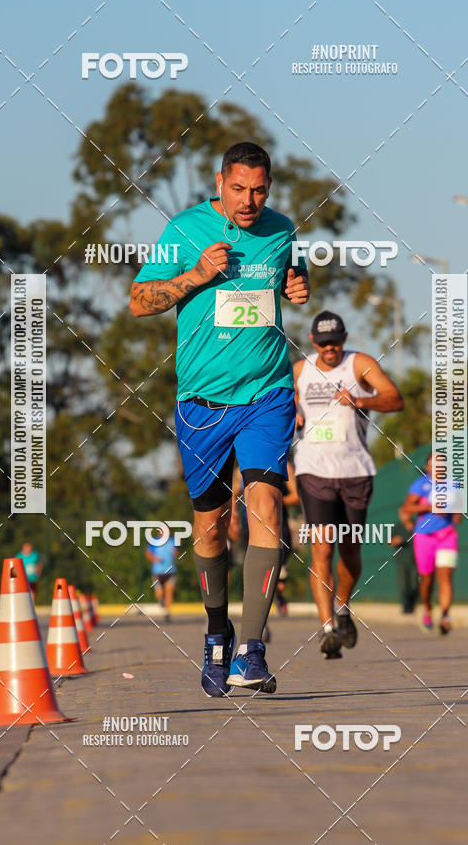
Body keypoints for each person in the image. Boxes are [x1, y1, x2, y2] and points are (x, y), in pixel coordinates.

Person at [130, 142, 309, 696]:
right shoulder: (184, 230)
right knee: (209, 525)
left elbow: (292, 279)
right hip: (202, 403)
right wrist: (195, 276)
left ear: (269, 188)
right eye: (238, 189)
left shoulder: (282, 230)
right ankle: (216, 634)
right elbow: (138, 300)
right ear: (219, 182)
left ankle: (251, 650)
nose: (249, 201)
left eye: (259, 190)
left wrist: (298, 287)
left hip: (267, 394)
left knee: (267, 507)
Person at [293, 311, 404, 659]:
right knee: (322, 548)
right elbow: (277, 402)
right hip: (313, 469)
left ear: (344, 338)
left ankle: (342, 607)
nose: (330, 348)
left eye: (335, 341)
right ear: (313, 341)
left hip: (355, 471)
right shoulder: (300, 371)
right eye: (324, 343)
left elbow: (394, 399)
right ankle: (327, 629)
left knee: (351, 550)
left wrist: (361, 400)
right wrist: (290, 412)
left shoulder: (360, 365)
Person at [402, 454, 462, 633]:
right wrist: (429, 507)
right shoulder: (421, 484)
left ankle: (445, 616)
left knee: (445, 576)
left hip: (447, 535)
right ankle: (427, 608)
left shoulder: (453, 484)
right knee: (427, 580)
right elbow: (407, 508)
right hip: (424, 536)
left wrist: (456, 514)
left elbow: (458, 511)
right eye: (434, 462)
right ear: (428, 466)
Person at [275, 462, 300, 616]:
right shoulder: (243, 462)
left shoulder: (285, 466)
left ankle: (278, 597)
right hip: (251, 527)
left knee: (280, 579)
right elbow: (233, 493)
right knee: (256, 574)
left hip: (280, 528)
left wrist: (273, 501)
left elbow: (296, 496)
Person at [145, 524, 178, 622]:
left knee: (169, 590)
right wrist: (155, 559)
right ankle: (161, 601)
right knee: (159, 594)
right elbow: (148, 554)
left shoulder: (173, 541)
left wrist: (175, 554)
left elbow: (176, 552)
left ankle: (167, 612)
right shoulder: (154, 541)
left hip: (171, 571)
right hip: (157, 572)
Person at [389, 507, 419, 614]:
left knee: (415, 584)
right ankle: (405, 607)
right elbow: (390, 541)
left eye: (405, 514)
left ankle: (412, 605)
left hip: (416, 560)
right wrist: (395, 541)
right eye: (401, 514)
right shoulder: (397, 527)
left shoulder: (418, 525)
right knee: (403, 585)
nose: (403, 516)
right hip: (402, 560)